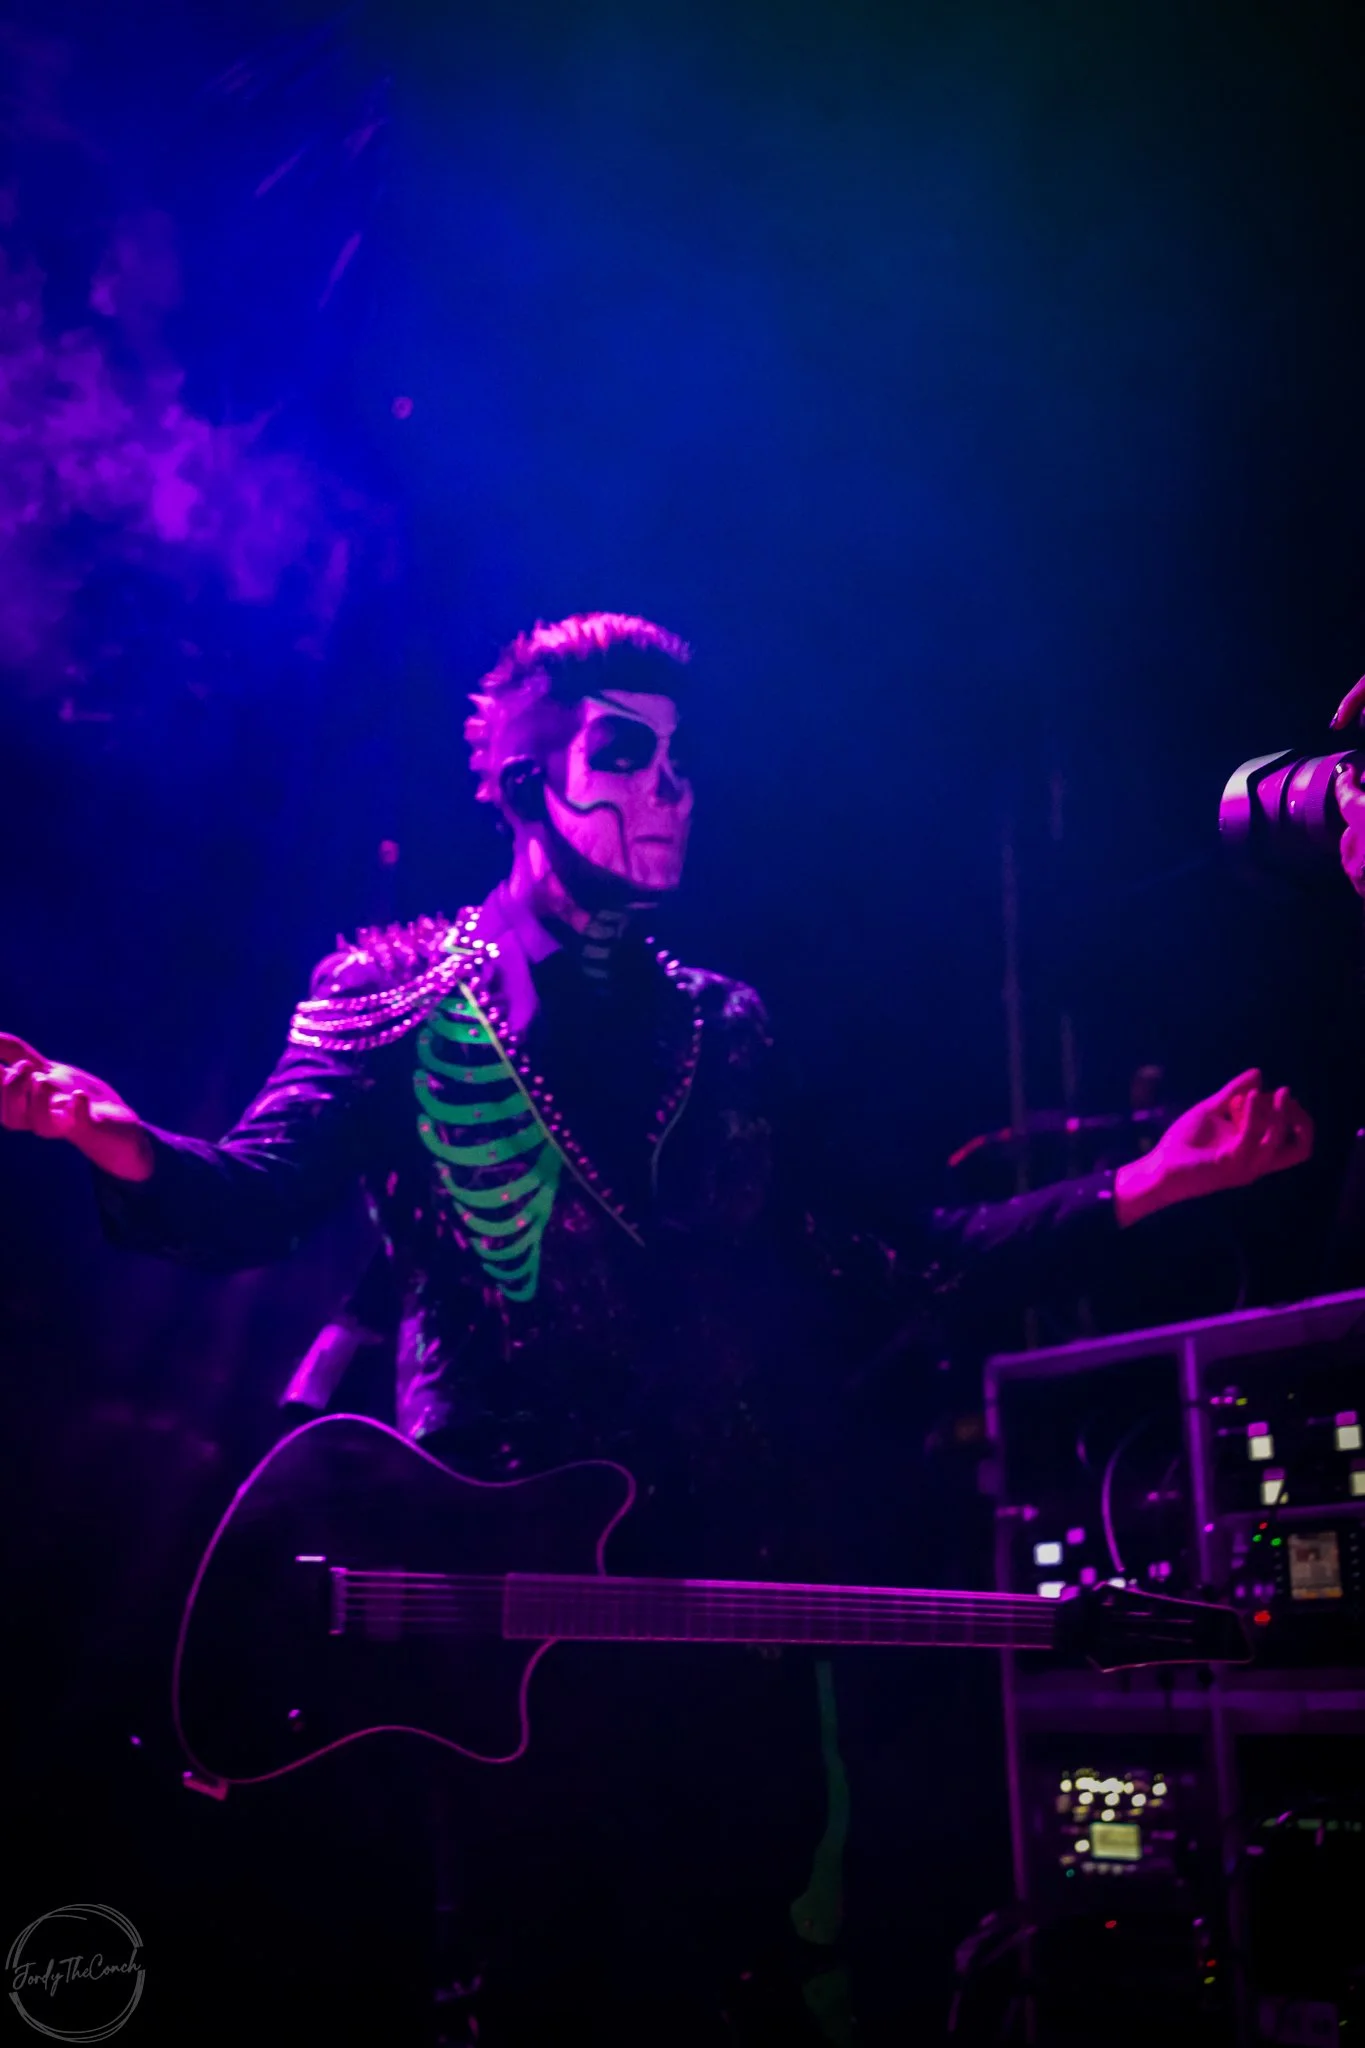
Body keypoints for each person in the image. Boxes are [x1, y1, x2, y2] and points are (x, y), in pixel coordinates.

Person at [0, 612, 1314, 2044]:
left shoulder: (726, 1028)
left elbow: (906, 1257)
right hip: (498, 1598)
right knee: (535, 1984)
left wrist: (1143, 1185)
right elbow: (251, 1200)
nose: (671, 790)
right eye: (625, 754)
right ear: (525, 782)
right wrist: (119, 1140)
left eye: (683, 762)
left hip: (716, 1583)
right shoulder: (393, 994)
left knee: (746, 1971)